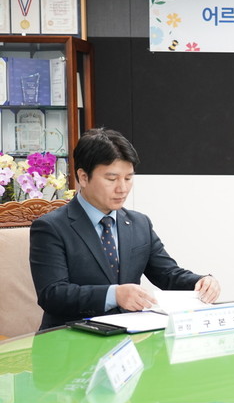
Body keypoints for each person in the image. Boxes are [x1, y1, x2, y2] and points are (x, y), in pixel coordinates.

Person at [30, 128, 220, 330]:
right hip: (71, 337)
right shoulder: (51, 227)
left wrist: (201, 282)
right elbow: (53, 294)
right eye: (112, 179)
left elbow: (168, 274)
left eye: (128, 178)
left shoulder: (139, 224)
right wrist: (114, 295)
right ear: (83, 177)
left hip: (128, 336)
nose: (122, 188)